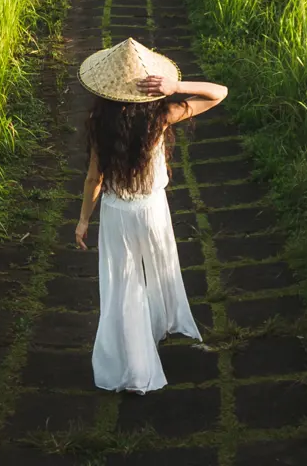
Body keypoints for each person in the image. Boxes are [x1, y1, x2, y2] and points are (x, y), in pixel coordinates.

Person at [73, 37, 229, 393]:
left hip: (116, 215)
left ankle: (133, 363)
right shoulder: (161, 117)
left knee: (122, 286)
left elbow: (94, 179)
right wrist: (177, 87)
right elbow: (218, 92)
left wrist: (83, 220)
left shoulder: (100, 124)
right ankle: (157, 329)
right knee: (159, 271)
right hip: (152, 210)